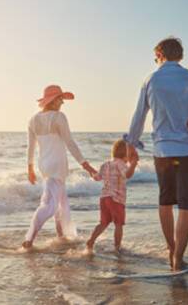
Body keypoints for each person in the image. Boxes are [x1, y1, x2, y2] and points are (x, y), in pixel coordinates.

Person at [125, 37, 188, 271]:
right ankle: (178, 258)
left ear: (160, 54)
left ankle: (170, 249)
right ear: (180, 55)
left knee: (165, 201)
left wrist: (131, 145)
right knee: (186, 206)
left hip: (163, 151)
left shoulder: (150, 79)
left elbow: (139, 116)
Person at [23, 85, 96, 249]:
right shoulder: (59, 117)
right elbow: (70, 143)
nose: (62, 102)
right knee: (48, 205)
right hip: (57, 165)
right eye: (60, 99)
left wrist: (30, 168)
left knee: (61, 202)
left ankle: (61, 236)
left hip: (45, 165)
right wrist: (87, 165)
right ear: (52, 100)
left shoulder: (33, 120)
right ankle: (29, 238)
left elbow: (31, 147)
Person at [85, 139, 138, 253]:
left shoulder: (105, 164)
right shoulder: (121, 164)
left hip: (104, 198)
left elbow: (96, 177)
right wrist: (134, 163)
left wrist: (89, 169)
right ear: (126, 154)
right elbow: (127, 174)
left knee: (103, 223)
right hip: (116, 199)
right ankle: (117, 247)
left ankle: (91, 240)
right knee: (118, 224)